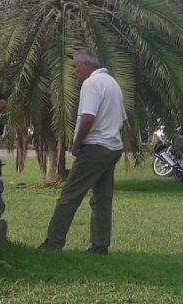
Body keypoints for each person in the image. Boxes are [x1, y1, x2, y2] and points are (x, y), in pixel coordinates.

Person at [39, 48, 126, 254]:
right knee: (102, 200)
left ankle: (53, 243)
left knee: (69, 197)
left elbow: (87, 118)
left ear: (87, 65)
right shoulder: (112, 83)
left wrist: (76, 144)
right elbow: (123, 119)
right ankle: (100, 246)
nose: (73, 71)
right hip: (112, 147)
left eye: (75, 66)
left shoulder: (91, 83)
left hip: (94, 148)